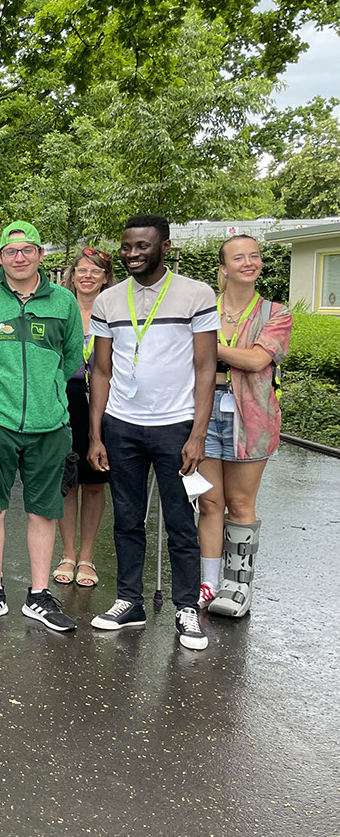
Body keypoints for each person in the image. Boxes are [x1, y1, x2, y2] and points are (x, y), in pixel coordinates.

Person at [88, 215, 219, 651]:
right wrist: (96, 434)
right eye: (126, 246)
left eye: (142, 246)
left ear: (164, 246)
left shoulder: (196, 294)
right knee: (127, 520)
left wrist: (198, 433)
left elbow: (206, 367)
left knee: (180, 522)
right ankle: (130, 601)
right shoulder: (108, 300)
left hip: (175, 425)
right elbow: (101, 371)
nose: (132, 254)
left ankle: (186, 608)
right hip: (122, 425)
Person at [0, 221, 80, 633]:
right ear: (0, 257)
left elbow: (70, 358)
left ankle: (39, 595)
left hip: (51, 424)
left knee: (44, 510)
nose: (20, 257)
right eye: (11, 251)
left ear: (40, 255)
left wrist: (49, 396)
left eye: (28, 249)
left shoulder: (64, 301)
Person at [196, 234, 292, 618]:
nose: (248, 262)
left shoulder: (275, 313)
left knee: (239, 503)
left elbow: (256, 361)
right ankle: (209, 582)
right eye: (239, 257)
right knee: (208, 501)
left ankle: (238, 584)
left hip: (250, 418)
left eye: (254, 256)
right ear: (223, 267)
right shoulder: (205, 309)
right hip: (203, 412)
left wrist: (204, 343)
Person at [54, 248, 115, 588]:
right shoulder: (61, 309)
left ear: (105, 277)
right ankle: (67, 553)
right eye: (82, 270)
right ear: (72, 275)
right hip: (67, 398)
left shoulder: (116, 311)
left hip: (105, 401)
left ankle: (87, 556)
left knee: (94, 482)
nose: (88, 276)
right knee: (67, 479)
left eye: (95, 271)